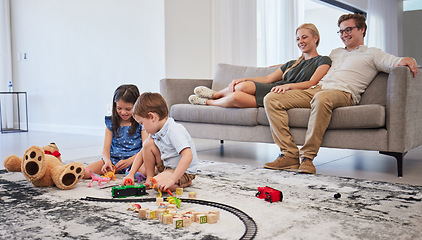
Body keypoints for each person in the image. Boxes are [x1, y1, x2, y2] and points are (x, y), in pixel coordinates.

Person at [263, 13, 418, 174]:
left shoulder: (373, 53)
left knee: (321, 98)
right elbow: (309, 62)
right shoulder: (335, 53)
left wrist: (408, 59)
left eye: (349, 30)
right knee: (272, 99)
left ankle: (307, 158)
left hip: (343, 93)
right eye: (341, 31)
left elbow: (393, 62)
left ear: (362, 29)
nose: (344, 34)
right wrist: (280, 68)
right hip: (317, 90)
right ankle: (289, 154)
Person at [188, 23, 332, 108]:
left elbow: (312, 82)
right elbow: (268, 78)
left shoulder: (323, 60)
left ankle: (207, 102)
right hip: (274, 87)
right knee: (241, 86)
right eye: (298, 38)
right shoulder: (292, 63)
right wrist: (244, 79)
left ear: (315, 38)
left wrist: (288, 86)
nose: (300, 41)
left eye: (304, 37)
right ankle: (215, 94)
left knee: (236, 97)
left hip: (287, 93)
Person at [131, 92, 198, 192]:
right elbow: (142, 152)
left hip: (184, 171)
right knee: (147, 144)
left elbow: (188, 156)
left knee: (158, 185)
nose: (143, 128)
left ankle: (184, 183)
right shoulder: (156, 130)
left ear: (152, 117)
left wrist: (172, 179)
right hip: (168, 166)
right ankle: (150, 177)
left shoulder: (174, 130)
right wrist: (131, 174)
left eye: (142, 123)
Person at [83, 84, 148, 178]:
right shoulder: (111, 122)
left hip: (135, 162)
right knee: (84, 172)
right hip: (113, 162)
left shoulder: (141, 123)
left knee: (150, 170)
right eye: (119, 108)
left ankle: (131, 173)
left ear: (136, 105)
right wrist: (107, 161)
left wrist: (129, 161)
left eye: (128, 109)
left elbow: (144, 149)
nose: (123, 112)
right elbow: (105, 150)